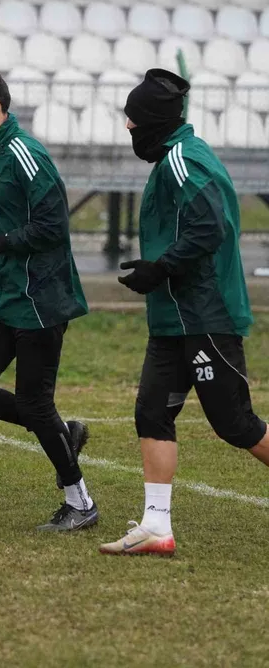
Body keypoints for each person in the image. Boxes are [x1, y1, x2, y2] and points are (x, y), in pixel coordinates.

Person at [100, 69, 269, 556]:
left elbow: (209, 227)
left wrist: (161, 268)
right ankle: (157, 526)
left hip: (204, 314)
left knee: (236, 424)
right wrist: (159, 274)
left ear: (154, 120)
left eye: (133, 119)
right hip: (175, 317)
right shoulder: (173, 158)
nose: (128, 127)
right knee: (152, 412)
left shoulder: (182, 159)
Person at [0, 69, 98, 532]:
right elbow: (13, 226)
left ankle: (80, 503)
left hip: (41, 297)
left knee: (36, 403)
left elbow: (53, 227)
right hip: (4, 294)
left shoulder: (25, 153)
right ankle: (63, 432)